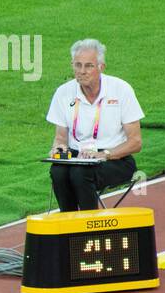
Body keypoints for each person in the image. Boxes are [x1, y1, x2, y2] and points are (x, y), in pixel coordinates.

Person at [47, 38, 144, 211]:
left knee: (80, 174)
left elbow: (135, 142)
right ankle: (69, 224)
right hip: (79, 157)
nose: (82, 71)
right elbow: (60, 137)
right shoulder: (63, 93)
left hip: (115, 158)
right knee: (58, 171)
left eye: (88, 66)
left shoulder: (121, 90)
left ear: (101, 67)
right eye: (77, 65)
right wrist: (58, 149)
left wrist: (104, 155)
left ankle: (89, 228)